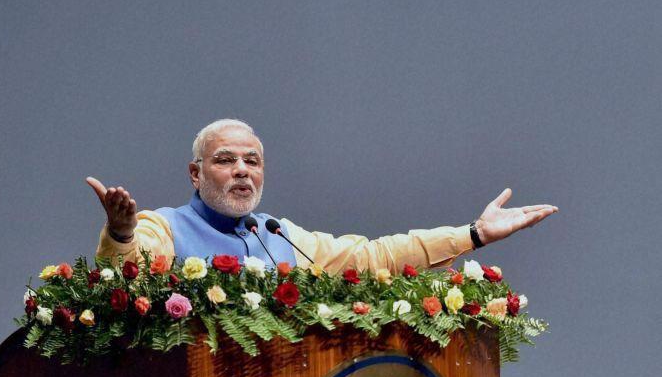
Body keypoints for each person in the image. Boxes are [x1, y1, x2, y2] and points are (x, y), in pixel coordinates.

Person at [89, 119, 557, 271]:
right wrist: (122, 231)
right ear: (195, 173)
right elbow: (133, 267)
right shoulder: (164, 226)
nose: (241, 172)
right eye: (226, 160)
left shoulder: (280, 236)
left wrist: (473, 234)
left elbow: (374, 257)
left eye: (252, 162)